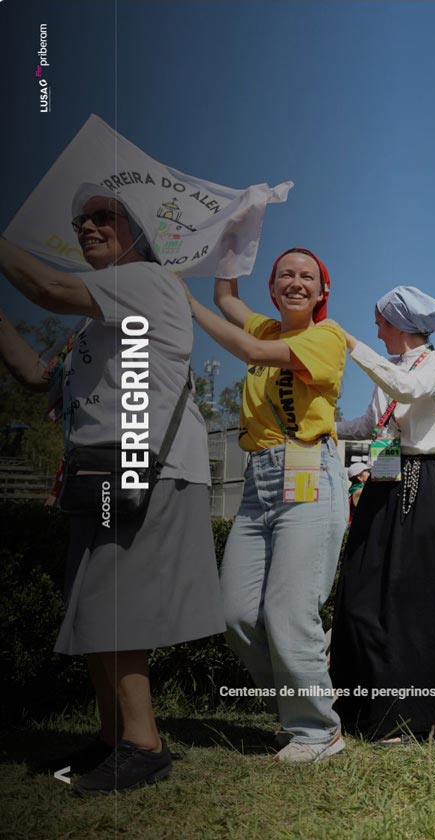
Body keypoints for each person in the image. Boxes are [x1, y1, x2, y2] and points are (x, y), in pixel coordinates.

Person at [0, 185, 222, 793]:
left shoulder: (146, 280)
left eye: (106, 216)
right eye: (82, 220)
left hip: (143, 462)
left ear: (139, 230)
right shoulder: (93, 321)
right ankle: (111, 738)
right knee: (95, 600)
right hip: (106, 467)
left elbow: (45, 288)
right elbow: (31, 376)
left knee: (111, 598)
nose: (88, 227)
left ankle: (143, 744)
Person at [185, 249, 349, 762]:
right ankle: (306, 680)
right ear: (274, 289)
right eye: (285, 276)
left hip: (308, 473)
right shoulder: (269, 328)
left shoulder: (326, 337)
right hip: (260, 480)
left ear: (321, 293)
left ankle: (320, 732)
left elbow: (247, 348)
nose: (296, 282)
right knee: (236, 613)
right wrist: (235, 237)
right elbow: (225, 296)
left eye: (307, 276)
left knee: (287, 609)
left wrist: (183, 302)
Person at [329, 286, 435, 744]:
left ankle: (409, 716)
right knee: (363, 590)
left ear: (402, 324)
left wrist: (352, 346)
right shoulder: (389, 369)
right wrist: (320, 426)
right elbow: (371, 426)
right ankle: (361, 708)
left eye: (381, 323)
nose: (375, 331)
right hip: (383, 481)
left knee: (412, 599)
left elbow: (406, 390)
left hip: (422, 483)